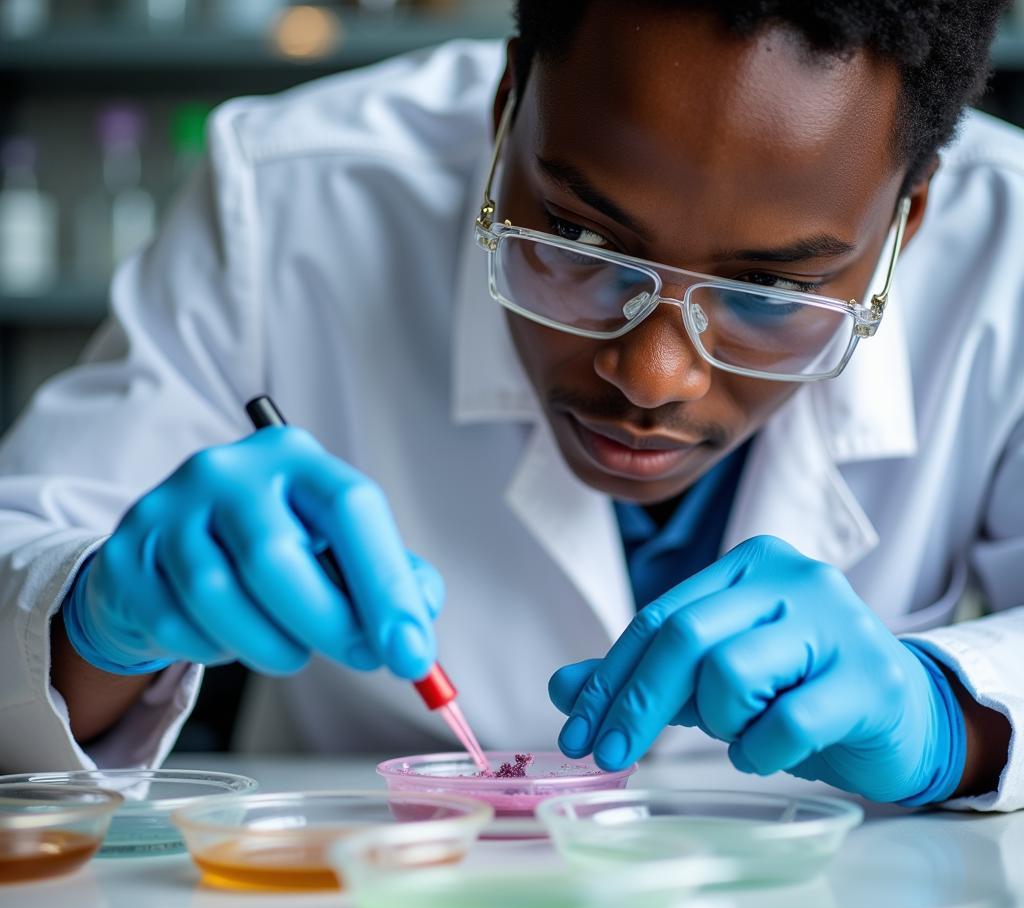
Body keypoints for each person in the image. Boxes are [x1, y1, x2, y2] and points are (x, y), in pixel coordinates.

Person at [0, 1, 1020, 811]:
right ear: (505, 112)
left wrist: (945, 719)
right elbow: (27, 545)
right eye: (577, 241)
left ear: (904, 223)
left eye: (767, 294)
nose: (652, 376)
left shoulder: (1006, 246)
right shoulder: (290, 194)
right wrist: (97, 619)